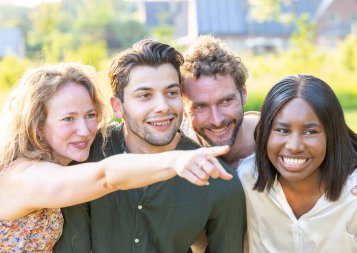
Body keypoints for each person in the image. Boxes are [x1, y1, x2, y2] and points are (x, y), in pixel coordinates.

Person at [0, 63, 235, 252]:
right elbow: (106, 176)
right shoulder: (21, 177)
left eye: (90, 115)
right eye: (68, 119)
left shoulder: (65, 165)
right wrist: (175, 160)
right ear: (37, 125)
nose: (84, 130)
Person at [180, 35, 357, 252]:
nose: (217, 119)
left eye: (226, 101)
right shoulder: (179, 155)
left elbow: (332, 145)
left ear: (243, 93)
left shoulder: (277, 141)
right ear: (183, 107)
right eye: (200, 106)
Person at [53, 40, 246, 253]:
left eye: (171, 93)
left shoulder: (221, 181)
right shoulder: (85, 157)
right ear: (118, 106)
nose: (162, 107)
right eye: (145, 95)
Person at [239, 74, 357, 252]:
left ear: (331, 136)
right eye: (282, 130)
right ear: (266, 132)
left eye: (310, 132)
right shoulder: (247, 179)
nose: (294, 146)